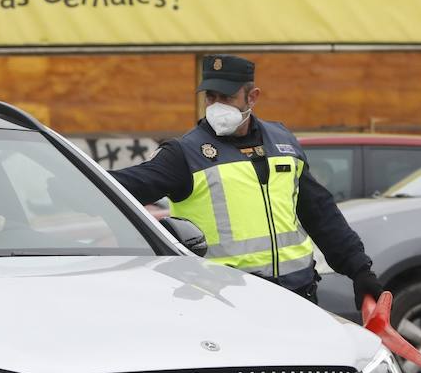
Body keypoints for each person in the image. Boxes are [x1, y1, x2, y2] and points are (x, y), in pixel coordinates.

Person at [110, 54, 383, 308]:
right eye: (210, 97)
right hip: (225, 304)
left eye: (226, 97)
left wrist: (359, 270)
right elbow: (120, 188)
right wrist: (74, 180)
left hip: (298, 298)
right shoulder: (185, 154)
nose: (216, 106)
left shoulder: (282, 142)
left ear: (252, 97)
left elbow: (320, 213)